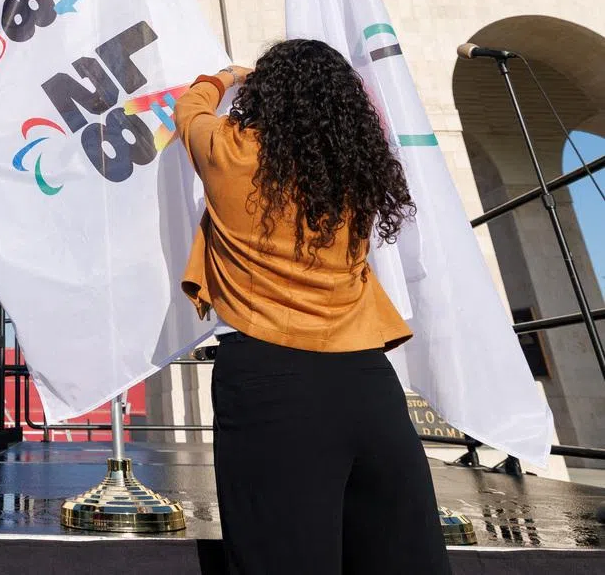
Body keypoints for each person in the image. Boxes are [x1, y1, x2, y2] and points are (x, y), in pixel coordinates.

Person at [174, 39, 450, 575]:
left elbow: (189, 108)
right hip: (367, 381)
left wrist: (229, 75)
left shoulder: (229, 151)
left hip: (267, 381)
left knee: (281, 553)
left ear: (266, 96)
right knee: (398, 553)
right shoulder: (353, 173)